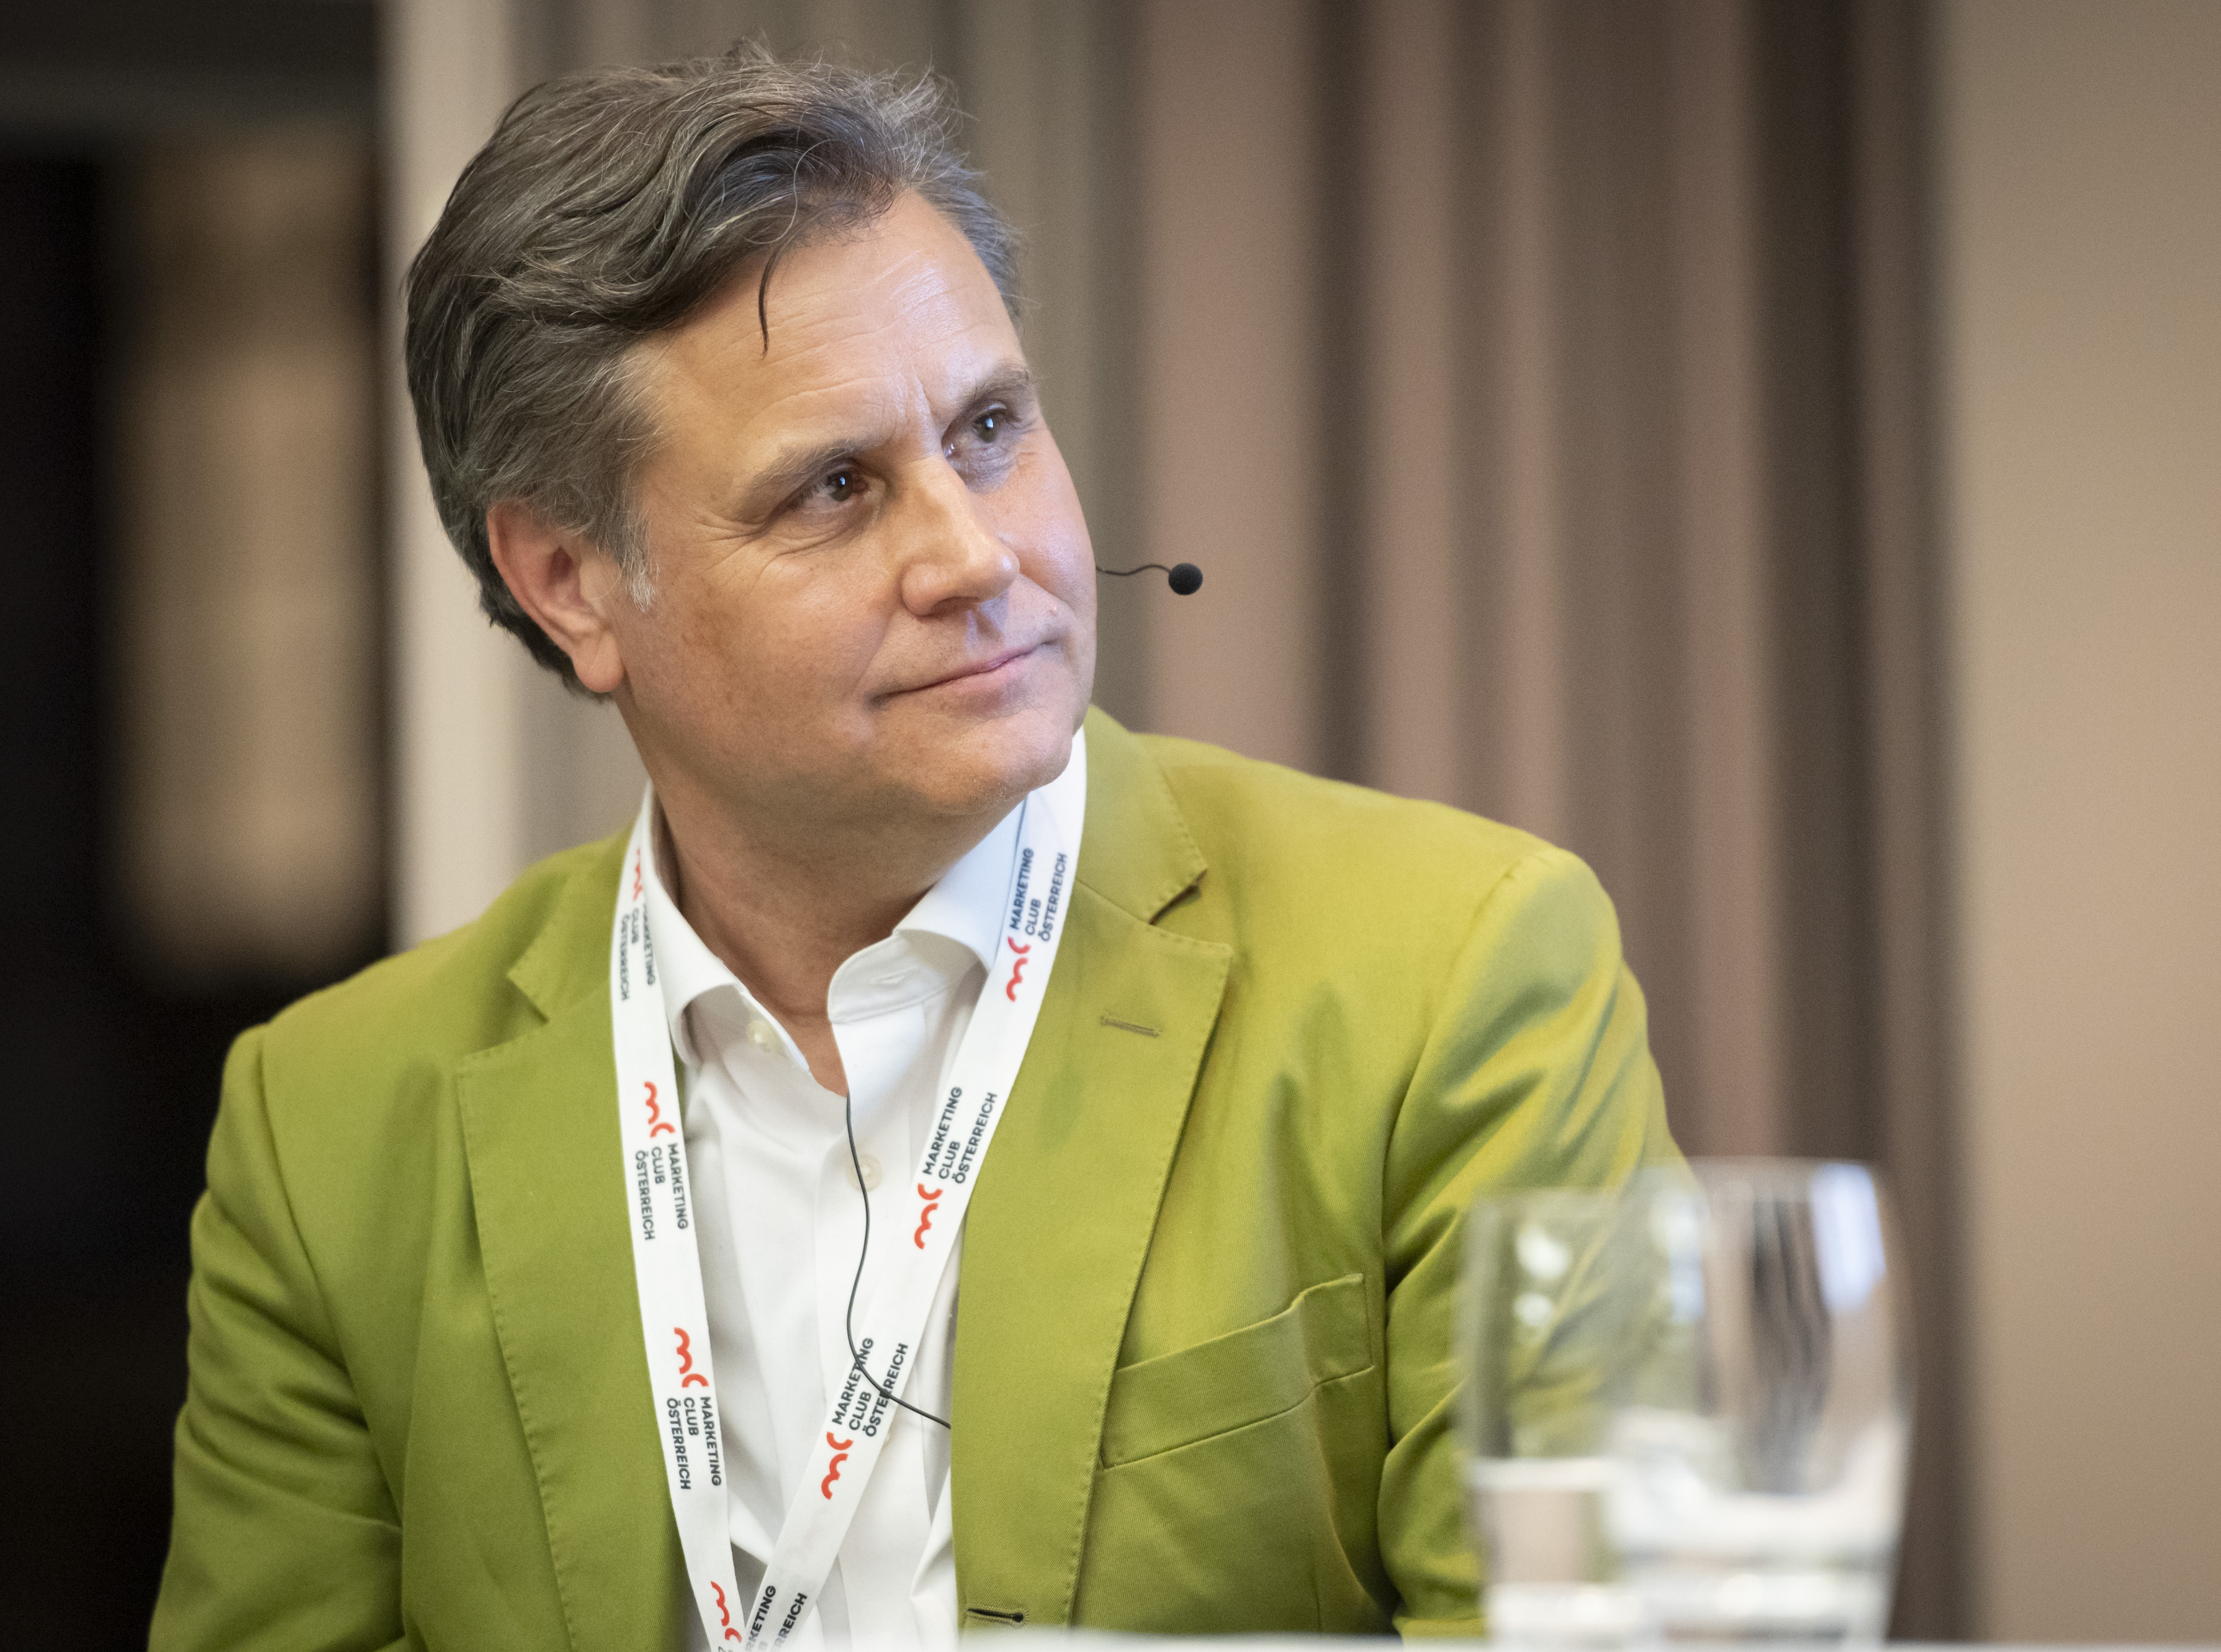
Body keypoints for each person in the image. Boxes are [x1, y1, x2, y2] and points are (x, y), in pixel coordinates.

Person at [149, 47, 1674, 1652]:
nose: (975, 554)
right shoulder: (328, 1132)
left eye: (991, 426)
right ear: (570, 582)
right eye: (833, 488)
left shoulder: (1452, 976)